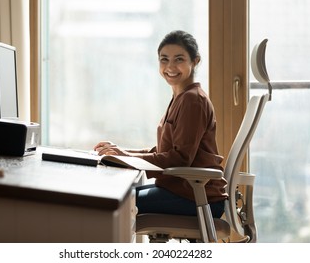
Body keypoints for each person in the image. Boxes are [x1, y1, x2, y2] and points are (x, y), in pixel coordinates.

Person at [94, 30, 227, 218]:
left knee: (111, 203)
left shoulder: (192, 100)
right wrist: (123, 153)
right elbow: (164, 150)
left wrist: (125, 157)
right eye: (164, 59)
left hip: (196, 197)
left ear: (195, 61)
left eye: (179, 59)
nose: (170, 66)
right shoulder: (181, 97)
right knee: (116, 196)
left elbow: (179, 159)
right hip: (182, 192)